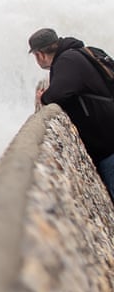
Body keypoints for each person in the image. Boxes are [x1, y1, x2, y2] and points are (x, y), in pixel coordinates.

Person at [29, 26, 114, 200]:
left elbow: (59, 93)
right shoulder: (78, 53)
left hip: (108, 146)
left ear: (40, 55)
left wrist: (44, 97)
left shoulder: (67, 61)